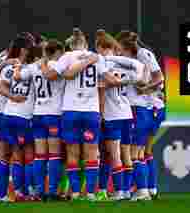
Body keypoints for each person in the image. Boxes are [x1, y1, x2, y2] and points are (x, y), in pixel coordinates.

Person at [44, 30, 122, 201]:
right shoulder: (97, 57)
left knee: (72, 154)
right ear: (86, 44)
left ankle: (76, 192)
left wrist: (61, 71)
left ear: (71, 45)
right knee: (91, 153)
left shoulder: (67, 56)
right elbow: (110, 80)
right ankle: (92, 194)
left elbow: (49, 76)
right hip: (91, 112)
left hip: (70, 111)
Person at [109, 31, 163, 201]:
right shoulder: (135, 60)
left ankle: (142, 190)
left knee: (135, 153)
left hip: (143, 108)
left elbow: (157, 78)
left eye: (119, 49)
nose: (118, 52)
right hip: (146, 109)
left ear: (126, 47)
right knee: (143, 152)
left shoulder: (142, 56)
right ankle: (148, 189)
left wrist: (144, 88)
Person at [13, 39, 65, 201]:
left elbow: (17, 77)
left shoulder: (33, 66)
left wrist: (17, 66)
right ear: (54, 52)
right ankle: (52, 192)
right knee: (54, 155)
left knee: (40, 156)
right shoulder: (58, 66)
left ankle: (39, 191)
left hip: (37, 114)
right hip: (53, 114)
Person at [0, 32, 36, 202]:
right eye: (30, 47)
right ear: (24, 49)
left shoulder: (9, 66)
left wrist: (11, 97)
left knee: (10, 154)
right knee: (28, 154)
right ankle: (27, 192)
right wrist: (15, 97)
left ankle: (5, 194)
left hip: (7, 114)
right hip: (24, 116)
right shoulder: (33, 67)